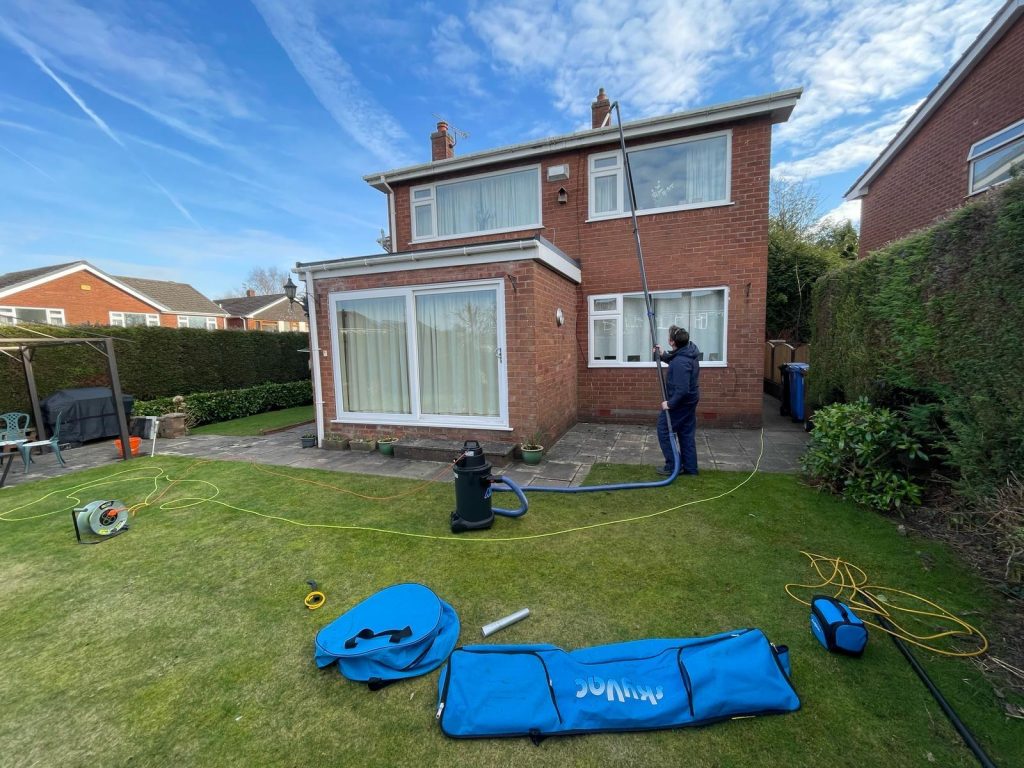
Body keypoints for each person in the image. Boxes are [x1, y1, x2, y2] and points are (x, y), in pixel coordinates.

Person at [653, 326, 700, 475]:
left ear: (671, 341)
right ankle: (690, 468)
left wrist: (670, 404)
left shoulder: (681, 362)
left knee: (664, 429)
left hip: (681, 403)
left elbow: (682, 389)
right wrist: (664, 354)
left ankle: (674, 465)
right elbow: (677, 358)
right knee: (686, 432)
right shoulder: (689, 351)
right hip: (690, 401)